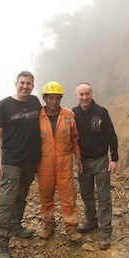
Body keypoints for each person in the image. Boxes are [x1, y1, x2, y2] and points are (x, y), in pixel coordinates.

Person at [0, 71, 42, 258]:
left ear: (33, 86)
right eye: (22, 83)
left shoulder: (35, 102)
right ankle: (1, 242)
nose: (25, 86)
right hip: (11, 162)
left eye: (29, 83)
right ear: (16, 84)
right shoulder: (4, 105)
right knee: (6, 202)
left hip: (30, 162)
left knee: (21, 196)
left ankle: (16, 225)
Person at [73, 83, 118, 250]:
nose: (84, 97)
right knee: (86, 194)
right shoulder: (73, 114)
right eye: (81, 94)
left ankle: (105, 232)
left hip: (101, 160)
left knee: (104, 197)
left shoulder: (101, 112)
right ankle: (91, 221)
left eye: (87, 94)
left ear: (92, 94)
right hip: (82, 162)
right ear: (76, 95)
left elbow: (111, 136)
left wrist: (114, 158)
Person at [36, 81, 84, 242]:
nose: (54, 102)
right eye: (51, 98)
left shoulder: (68, 115)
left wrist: (78, 158)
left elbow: (75, 139)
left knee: (68, 196)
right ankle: (49, 225)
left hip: (64, 162)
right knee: (46, 196)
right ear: (45, 98)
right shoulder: (37, 116)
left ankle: (71, 229)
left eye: (57, 98)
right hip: (44, 163)